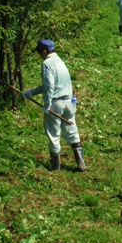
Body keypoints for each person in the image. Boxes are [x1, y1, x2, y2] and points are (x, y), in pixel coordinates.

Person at [22, 39, 85, 171]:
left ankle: (55, 167)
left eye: (40, 53)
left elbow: (49, 86)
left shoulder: (47, 64)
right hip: (68, 102)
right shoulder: (60, 62)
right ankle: (81, 163)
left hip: (55, 103)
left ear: (44, 52)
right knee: (72, 132)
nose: (40, 56)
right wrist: (32, 92)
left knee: (53, 134)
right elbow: (56, 84)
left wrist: (47, 104)